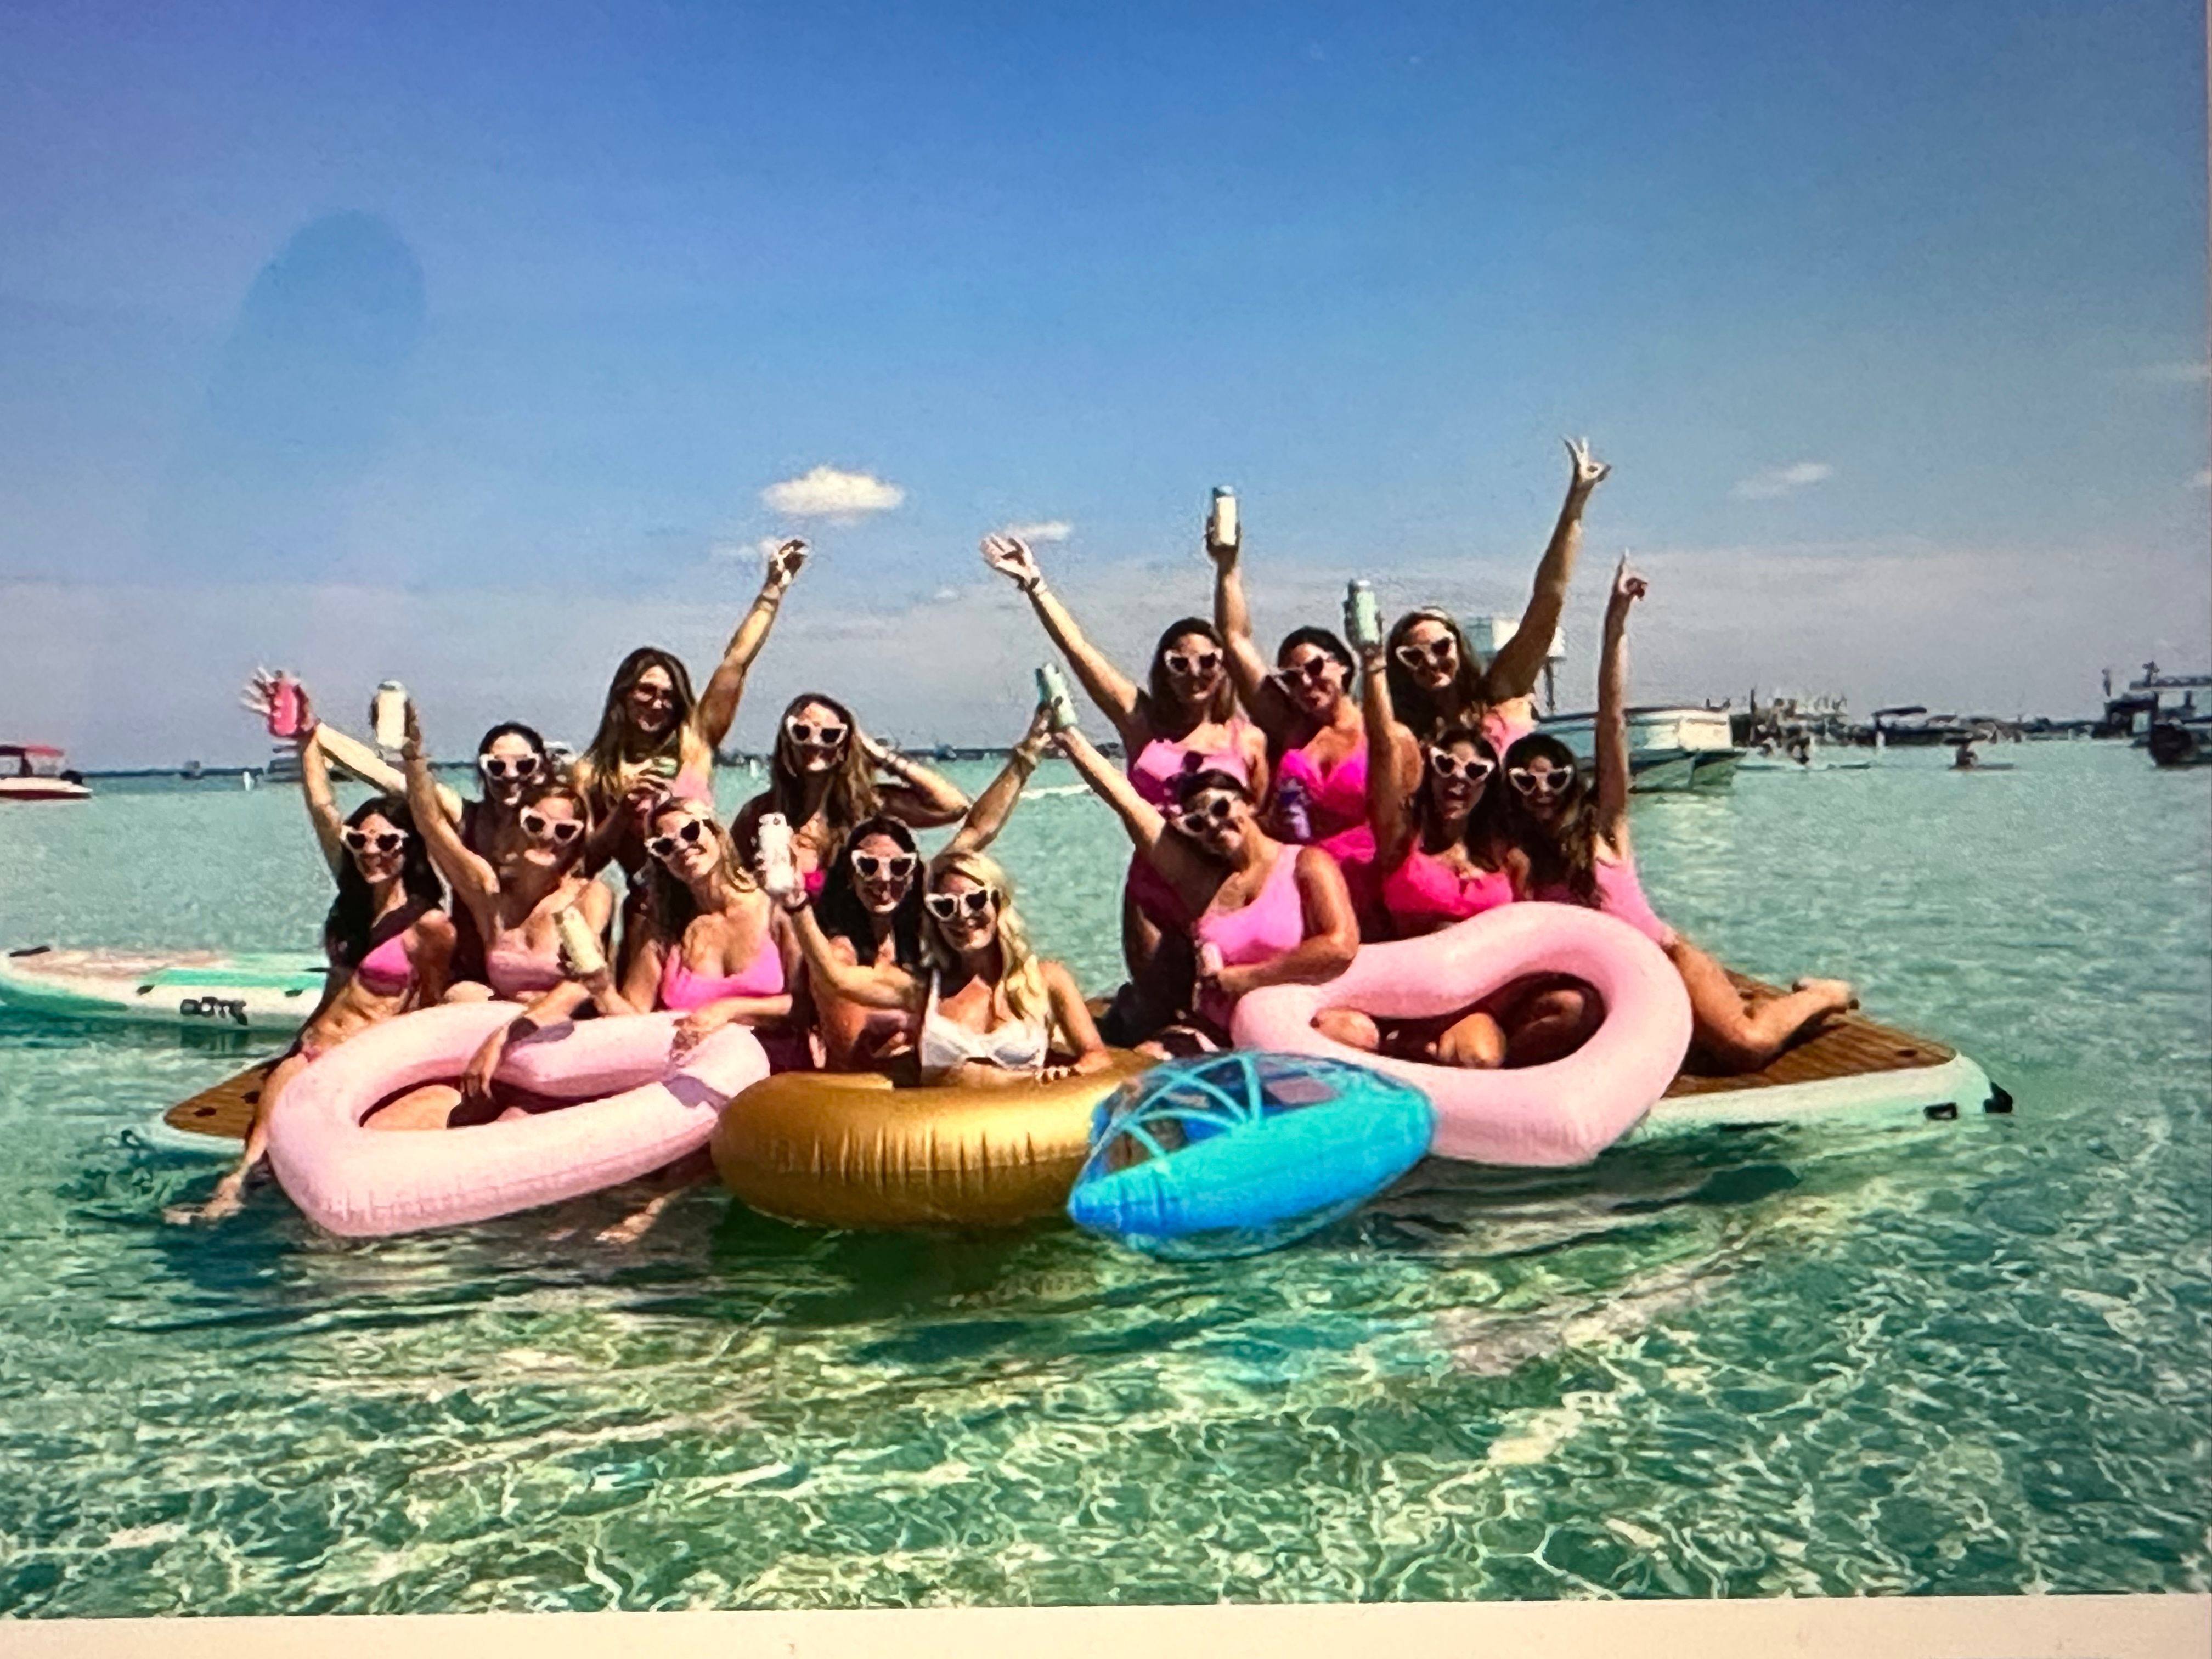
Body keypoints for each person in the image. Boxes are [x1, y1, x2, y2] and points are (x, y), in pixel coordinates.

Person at [1499, 560, 1857, 1073]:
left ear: (1570, 782)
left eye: (1554, 777)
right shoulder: (1514, 857)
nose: (1541, 790)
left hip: (1667, 963)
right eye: (1524, 780)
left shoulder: (1605, 829)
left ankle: (1823, 995)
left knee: (1745, 1046)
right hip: (1602, 991)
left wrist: (1615, 622)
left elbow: (1612, 721)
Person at [170, 687, 454, 1222]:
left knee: (316, 1172)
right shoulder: (349, 901)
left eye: (388, 843)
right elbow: (322, 808)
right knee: (252, 1158)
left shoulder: (428, 925)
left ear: (409, 849)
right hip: (311, 1048)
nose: (372, 852)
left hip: (364, 1061)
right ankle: (223, 1201)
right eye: (362, 842)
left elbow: (432, 1008)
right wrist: (307, 741)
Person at [983, 531, 1270, 1039]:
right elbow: (1080, 652)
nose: (1195, 673)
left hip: (1221, 892)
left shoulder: (1247, 740)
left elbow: (1262, 828)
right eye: (1179, 663)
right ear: (1163, 668)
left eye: (1209, 662)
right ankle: (1127, 1021)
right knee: (1160, 1015)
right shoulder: (1143, 723)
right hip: (1152, 894)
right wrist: (1036, 586)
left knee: (1228, 1013)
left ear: (1224, 669)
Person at [1303, 628, 1591, 1069]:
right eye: (1445, 766)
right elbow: (1382, 752)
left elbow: (1532, 940)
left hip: (1481, 1002)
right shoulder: (1403, 843)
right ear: (1429, 772)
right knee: (1343, 1033)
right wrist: (1374, 665)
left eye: (1475, 770)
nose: (1458, 778)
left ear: (1488, 784)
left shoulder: (1505, 857)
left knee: (1530, 1030)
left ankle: (1452, 1064)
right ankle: (1414, 1050)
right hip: (1408, 995)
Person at [1053, 720, 1357, 1053]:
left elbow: (1340, 945)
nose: (1213, 824)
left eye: (1221, 807)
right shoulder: (1203, 884)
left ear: (1250, 802)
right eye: (1197, 824)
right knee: (1147, 1058)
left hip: (1295, 1022)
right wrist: (1070, 739)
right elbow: (1127, 802)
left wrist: (1247, 978)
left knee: (1351, 1032)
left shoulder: (1305, 864)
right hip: (1219, 1036)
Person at [572, 540, 810, 963]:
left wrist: (773, 589)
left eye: (667, 695)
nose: (657, 703)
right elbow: (582, 865)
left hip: (720, 896)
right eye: (646, 691)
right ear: (623, 696)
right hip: (651, 906)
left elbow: (736, 662)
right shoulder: (591, 773)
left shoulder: (693, 744)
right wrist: (622, 814)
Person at [247, 673, 555, 990]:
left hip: (540, 974)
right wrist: (312, 729)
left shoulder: (564, 834)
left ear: (544, 769)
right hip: (470, 979)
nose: (511, 776)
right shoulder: (467, 819)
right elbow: (384, 776)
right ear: (482, 769)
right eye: (498, 766)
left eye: (525, 765)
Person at [806, 708, 1056, 1073]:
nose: (884, 878)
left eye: (900, 866)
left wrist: (1028, 754)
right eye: (869, 866)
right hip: (870, 1098)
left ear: (913, 872)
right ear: (850, 874)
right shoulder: (842, 954)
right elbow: (851, 1058)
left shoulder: (932, 913)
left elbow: (973, 824)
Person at [398, 702, 615, 1104]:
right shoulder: (489, 893)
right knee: (460, 996)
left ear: (576, 841)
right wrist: (413, 756)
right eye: (536, 824)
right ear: (519, 824)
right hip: (499, 1024)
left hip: (565, 1033)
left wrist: (508, 1034)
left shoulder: (590, 896)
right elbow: (431, 825)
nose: (547, 837)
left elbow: (580, 985)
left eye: (564, 831)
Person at [1211, 522, 1417, 935]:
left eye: (1316, 668)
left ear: (1344, 666)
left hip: (1373, 889)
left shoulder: (1390, 737)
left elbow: (1410, 829)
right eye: (1291, 677)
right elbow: (1234, 640)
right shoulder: (1290, 727)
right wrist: (1227, 567)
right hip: (1300, 888)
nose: (1305, 682)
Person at [783, 848, 1110, 1087]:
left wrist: (1067, 1076)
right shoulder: (923, 989)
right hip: (943, 1143)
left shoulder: (1047, 980)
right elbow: (836, 977)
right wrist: (797, 901)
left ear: (998, 904)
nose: (962, 916)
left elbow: (1096, 1056)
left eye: (976, 900)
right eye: (945, 907)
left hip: (1019, 1141)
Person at [1385, 438, 1610, 752]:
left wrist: (1575, 506)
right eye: (1413, 657)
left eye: (1440, 647)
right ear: (1400, 668)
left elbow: (1548, 603)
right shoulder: (1400, 731)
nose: (1431, 662)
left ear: (1459, 647)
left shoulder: (1498, 691)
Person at [726, 692, 970, 898]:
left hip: (852, 947)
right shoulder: (760, 814)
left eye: (830, 735)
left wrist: (880, 756)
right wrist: (753, 884)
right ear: (786, 741)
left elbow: (953, 807)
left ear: (845, 747)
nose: (815, 742)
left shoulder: (869, 806)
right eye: (801, 732)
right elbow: (727, 885)